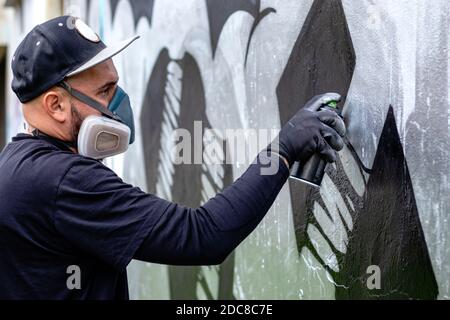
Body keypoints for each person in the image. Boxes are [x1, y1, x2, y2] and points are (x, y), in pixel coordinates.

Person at [0, 16, 346, 300]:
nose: (118, 104)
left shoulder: (15, 162)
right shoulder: (64, 180)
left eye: (114, 86)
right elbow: (203, 236)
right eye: (104, 92)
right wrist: (283, 150)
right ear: (56, 105)